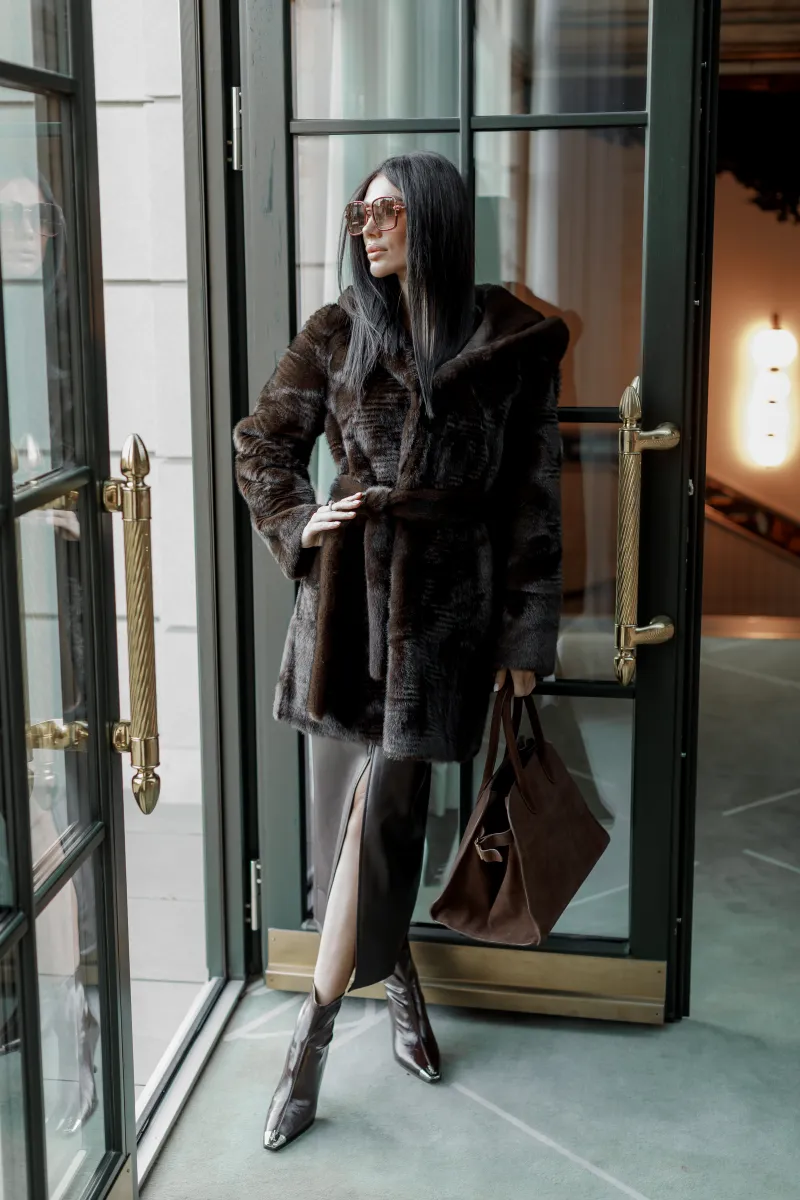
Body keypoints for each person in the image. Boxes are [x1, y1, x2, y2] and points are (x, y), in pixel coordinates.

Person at [233, 150, 567, 1151]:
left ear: (435, 218)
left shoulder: (509, 342)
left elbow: (532, 501)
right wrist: (300, 521)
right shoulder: (338, 331)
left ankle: (340, 1017)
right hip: (346, 612)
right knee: (359, 829)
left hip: (446, 620)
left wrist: (524, 636)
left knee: (382, 815)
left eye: (386, 211)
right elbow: (262, 442)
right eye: (359, 212)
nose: (368, 227)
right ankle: (364, 1007)